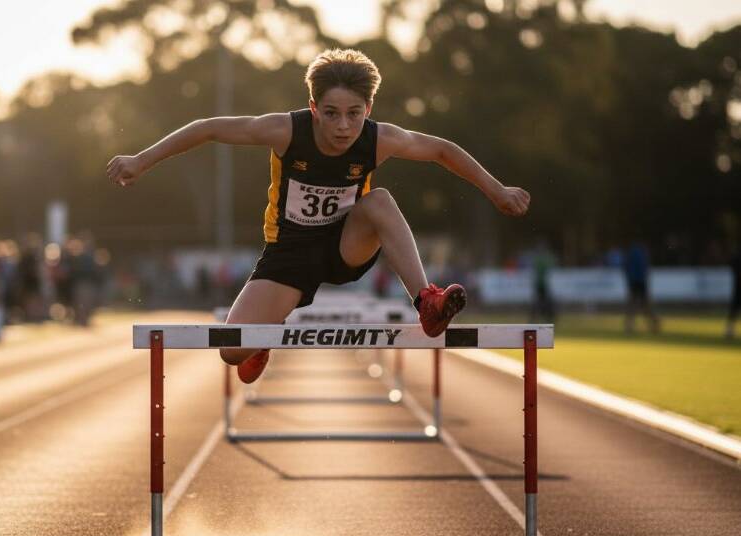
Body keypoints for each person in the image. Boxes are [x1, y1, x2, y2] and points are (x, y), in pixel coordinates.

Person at [106, 49, 530, 383]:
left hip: (347, 242)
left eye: (354, 114)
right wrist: (142, 160)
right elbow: (208, 127)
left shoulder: (378, 139)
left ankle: (427, 301)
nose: (343, 126)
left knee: (379, 199)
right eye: (331, 113)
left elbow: (441, 150)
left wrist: (497, 190)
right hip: (289, 253)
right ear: (313, 107)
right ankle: (261, 342)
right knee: (231, 350)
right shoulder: (285, 131)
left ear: (369, 108)